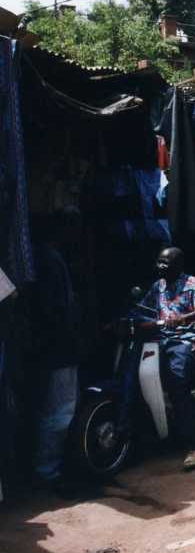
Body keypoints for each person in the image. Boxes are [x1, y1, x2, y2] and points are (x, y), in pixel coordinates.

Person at [133, 248, 195, 471]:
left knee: (176, 380)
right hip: (159, 339)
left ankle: (192, 446)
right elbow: (142, 309)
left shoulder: (191, 283)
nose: (160, 266)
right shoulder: (157, 286)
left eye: (165, 263)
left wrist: (184, 318)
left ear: (178, 265)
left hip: (187, 339)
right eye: (159, 262)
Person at [27, 212, 82, 496]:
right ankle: (47, 472)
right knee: (59, 410)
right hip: (57, 347)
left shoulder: (41, 257)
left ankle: (46, 469)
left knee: (49, 408)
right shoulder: (50, 259)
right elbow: (54, 309)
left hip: (46, 346)